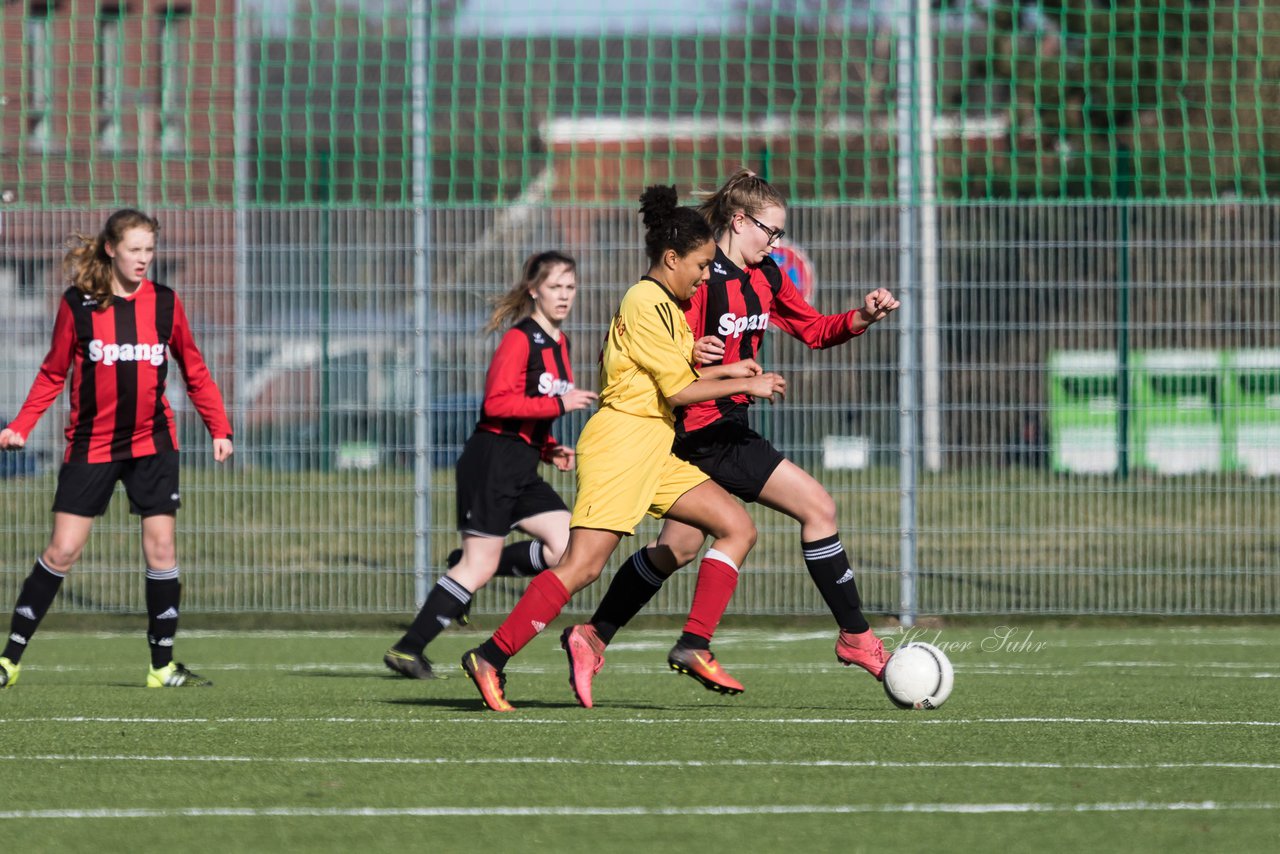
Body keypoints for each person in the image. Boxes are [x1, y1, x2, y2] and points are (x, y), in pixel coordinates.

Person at [562, 169, 901, 699]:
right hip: (704, 428)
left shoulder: (766, 276)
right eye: (771, 231)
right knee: (818, 507)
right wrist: (699, 358)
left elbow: (812, 330)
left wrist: (862, 315)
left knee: (678, 546)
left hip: (721, 426)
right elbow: (658, 346)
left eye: (780, 234)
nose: (775, 243)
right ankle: (855, 636)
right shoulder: (699, 276)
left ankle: (591, 636)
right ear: (739, 221)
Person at [460, 185, 787, 711]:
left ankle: (695, 644)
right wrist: (744, 384)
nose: (706, 277)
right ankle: (491, 656)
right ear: (672, 258)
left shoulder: (668, 307)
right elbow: (680, 391)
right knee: (581, 566)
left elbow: (674, 374)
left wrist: (726, 367)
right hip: (621, 444)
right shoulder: (645, 301)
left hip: (655, 446)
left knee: (735, 527)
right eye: (701, 267)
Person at [0, 208, 233, 689]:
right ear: (111, 249)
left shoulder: (166, 303)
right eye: (135, 250)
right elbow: (51, 373)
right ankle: (9, 660)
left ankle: (162, 666)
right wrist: (22, 425)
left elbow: (195, 369)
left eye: (150, 250)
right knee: (63, 550)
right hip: (92, 444)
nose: (144, 259)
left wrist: (219, 428)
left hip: (153, 443)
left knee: (162, 549)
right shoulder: (78, 304)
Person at [383, 251, 597, 679]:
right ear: (534, 290)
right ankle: (409, 649)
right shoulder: (520, 339)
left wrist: (548, 447)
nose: (564, 296)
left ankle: (471, 560)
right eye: (555, 287)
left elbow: (529, 412)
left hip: (521, 464)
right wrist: (559, 403)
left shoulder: (561, 342)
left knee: (566, 546)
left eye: (570, 287)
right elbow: (497, 403)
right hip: (492, 462)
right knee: (477, 567)